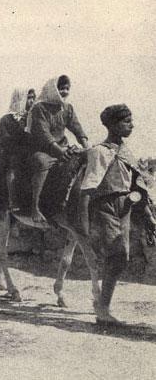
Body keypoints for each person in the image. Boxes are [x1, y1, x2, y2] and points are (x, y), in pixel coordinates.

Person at [79, 104, 156, 325]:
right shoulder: (99, 152)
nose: (131, 125)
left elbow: (137, 187)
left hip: (125, 208)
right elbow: (87, 189)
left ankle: (102, 306)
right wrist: (85, 224)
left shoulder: (126, 153)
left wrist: (148, 216)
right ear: (112, 125)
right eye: (126, 121)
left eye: (131, 120)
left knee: (121, 259)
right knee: (117, 256)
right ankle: (103, 310)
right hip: (105, 207)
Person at [27, 75, 90, 223]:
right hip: (43, 149)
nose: (65, 92)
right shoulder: (39, 108)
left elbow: (77, 127)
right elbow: (44, 134)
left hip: (62, 146)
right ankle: (35, 207)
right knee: (42, 164)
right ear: (53, 89)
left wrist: (86, 145)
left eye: (67, 89)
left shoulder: (67, 108)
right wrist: (59, 152)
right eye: (61, 88)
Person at [0, 88, 35, 211]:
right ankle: (13, 200)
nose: (32, 101)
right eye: (29, 98)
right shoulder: (6, 119)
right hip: (12, 153)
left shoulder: (33, 117)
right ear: (20, 99)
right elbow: (5, 141)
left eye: (34, 97)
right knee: (13, 166)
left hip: (29, 151)